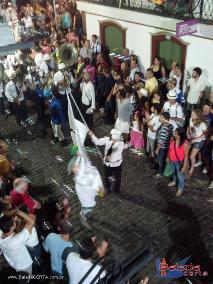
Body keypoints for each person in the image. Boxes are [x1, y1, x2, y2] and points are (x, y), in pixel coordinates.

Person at [70, 156, 104, 229]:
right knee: (86, 211)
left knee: (86, 210)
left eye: (76, 167)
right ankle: (84, 218)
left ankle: (84, 216)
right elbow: (81, 168)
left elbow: (81, 168)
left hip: (88, 202)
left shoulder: (82, 178)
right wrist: (81, 158)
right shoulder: (80, 178)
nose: (74, 168)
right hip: (88, 203)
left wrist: (79, 157)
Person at [89, 128, 126, 194]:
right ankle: (108, 187)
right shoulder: (107, 139)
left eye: (115, 139)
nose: (113, 140)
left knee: (117, 177)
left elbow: (116, 153)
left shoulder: (121, 143)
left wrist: (107, 157)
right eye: (113, 139)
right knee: (108, 176)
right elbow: (98, 142)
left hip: (117, 164)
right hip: (107, 164)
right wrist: (92, 135)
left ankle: (117, 189)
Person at [0, 209, 35, 274]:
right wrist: (18, 211)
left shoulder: (1, 232)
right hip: (24, 266)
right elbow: (32, 221)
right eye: (14, 221)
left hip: (14, 262)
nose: (15, 220)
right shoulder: (14, 241)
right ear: (12, 228)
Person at [167, 127, 190, 197]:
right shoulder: (172, 139)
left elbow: (186, 156)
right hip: (171, 160)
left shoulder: (185, 143)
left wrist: (184, 166)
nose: (174, 134)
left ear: (180, 135)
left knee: (180, 176)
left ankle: (181, 188)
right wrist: (167, 157)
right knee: (174, 172)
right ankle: (174, 181)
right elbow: (169, 149)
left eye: (176, 133)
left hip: (179, 162)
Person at [187, 109, 207, 176]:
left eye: (193, 114)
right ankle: (200, 161)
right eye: (191, 113)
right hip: (192, 139)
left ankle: (192, 169)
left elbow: (205, 134)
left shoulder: (202, 124)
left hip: (199, 141)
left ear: (198, 116)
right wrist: (188, 134)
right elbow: (189, 128)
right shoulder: (191, 119)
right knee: (197, 152)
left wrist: (195, 140)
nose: (191, 115)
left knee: (191, 156)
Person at [155, 112, 173, 177]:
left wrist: (157, 149)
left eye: (161, 117)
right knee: (164, 159)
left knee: (160, 161)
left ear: (165, 119)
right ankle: (164, 171)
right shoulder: (170, 126)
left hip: (162, 148)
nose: (160, 118)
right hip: (167, 146)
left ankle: (160, 173)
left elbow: (161, 141)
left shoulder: (164, 128)